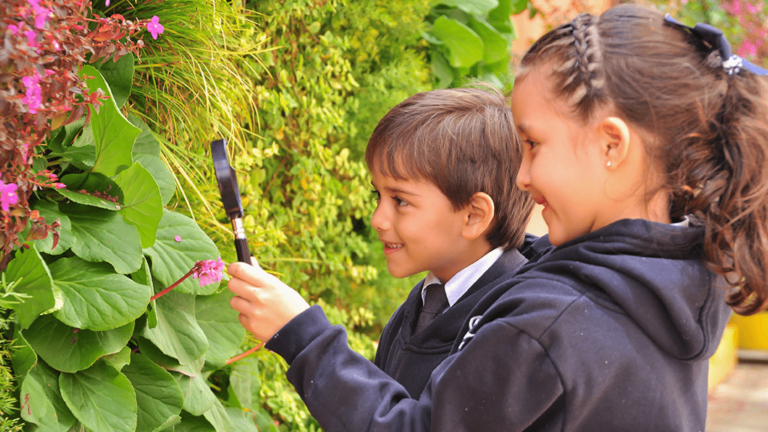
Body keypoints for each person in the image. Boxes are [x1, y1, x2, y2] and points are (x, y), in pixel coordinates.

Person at [227, 4, 768, 431]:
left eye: (532, 144)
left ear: (611, 145)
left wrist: (303, 336)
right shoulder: (671, 287)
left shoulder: (553, 325)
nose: (522, 177)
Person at [230, 86, 537, 399]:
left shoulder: (512, 330)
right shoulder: (419, 307)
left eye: (400, 200)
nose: (377, 218)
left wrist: (302, 335)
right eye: (378, 195)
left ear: (473, 216)